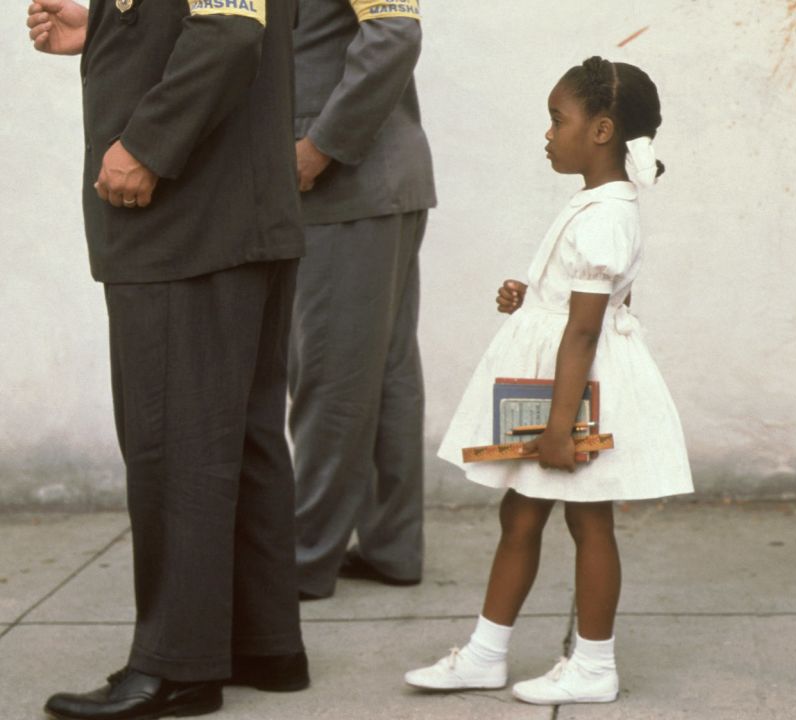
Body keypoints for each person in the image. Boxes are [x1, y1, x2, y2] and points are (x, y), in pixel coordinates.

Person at [26, 0, 310, 717]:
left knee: (175, 444)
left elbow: (229, 29)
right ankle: (261, 641)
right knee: (241, 439)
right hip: (231, 216)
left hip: (188, 223)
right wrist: (109, 26)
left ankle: (177, 665)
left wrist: (149, 144)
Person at [402, 56, 693, 706]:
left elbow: (585, 331)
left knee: (590, 523)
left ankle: (593, 664)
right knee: (520, 511)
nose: (548, 132)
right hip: (556, 379)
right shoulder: (596, 202)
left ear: (601, 130)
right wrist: (531, 294)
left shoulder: (606, 215)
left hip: (577, 391)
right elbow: (572, 305)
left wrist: (560, 426)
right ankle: (485, 653)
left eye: (558, 119)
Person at [290, 0, 436, 601]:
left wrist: (321, 145)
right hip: (376, 183)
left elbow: (395, 34)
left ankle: (303, 559)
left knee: (330, 372)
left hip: (346, 184)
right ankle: (391, 547)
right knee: (384, 371)